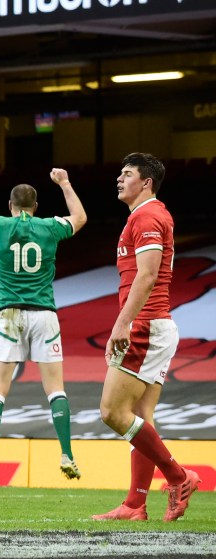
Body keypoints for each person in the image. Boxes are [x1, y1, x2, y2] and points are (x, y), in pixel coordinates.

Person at [0, 162, 87, 481]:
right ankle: (67, 454)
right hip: (44, 313)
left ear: (10, 206)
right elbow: (80, 219)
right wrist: (65, 183)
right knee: (55, 389)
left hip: (9, 314)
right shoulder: (49, 227)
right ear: (36, 207)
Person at [92, 153, 200, 522]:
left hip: (146, 325)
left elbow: (148, 275)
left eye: (127, 174)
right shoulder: (147, 216)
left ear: (147, 182)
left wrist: (123, 323)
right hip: (157, 325)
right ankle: (135, 505)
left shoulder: (149, 216)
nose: (119, 179)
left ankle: (179, 476)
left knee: (112, 412)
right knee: (140, 417)